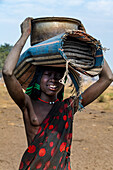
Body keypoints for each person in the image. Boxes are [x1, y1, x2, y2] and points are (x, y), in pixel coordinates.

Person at [2, 18, 113, 170]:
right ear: (38, 77)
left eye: (59, 75)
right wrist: (24, 36)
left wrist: (88, 43)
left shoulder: (68, 107)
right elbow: (8, 72)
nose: (54, 79)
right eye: (48, 74)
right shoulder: (27, 104)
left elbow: (108, 77)